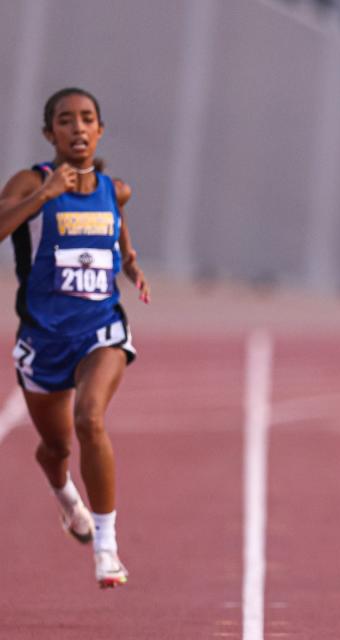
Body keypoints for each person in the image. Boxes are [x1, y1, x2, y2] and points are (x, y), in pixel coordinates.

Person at [0, 88, 150, 588]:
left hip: (99, 328)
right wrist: (43, 197)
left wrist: (129, 261)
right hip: (43, 338)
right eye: (66, 121)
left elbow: (118, 225)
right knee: (55, 448)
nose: (78, 128)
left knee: (90, 418)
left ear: (100, 130)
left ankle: (107, 549)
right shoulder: (29, 181)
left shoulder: (115, 189)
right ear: (50, 134)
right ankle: (66, 498)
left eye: (87, 119)